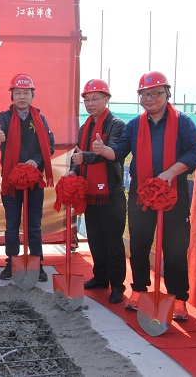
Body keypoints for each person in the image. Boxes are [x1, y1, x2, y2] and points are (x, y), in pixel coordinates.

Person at [92, 70, 196, 320]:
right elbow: (119, 152)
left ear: (167, 93)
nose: (149, 98)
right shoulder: (134, 125)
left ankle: (178, 298)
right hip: (142, 194)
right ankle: (139, 290)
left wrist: (170, 173)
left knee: (175, 248)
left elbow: (195, 152)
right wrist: (103, 150)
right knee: (139, 245)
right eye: (144, 94)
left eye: (155, 93)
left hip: (174, 193)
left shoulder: (183, 122)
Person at [66, 79, 126, 304]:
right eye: (87, 100)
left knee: (113, 241)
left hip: (111, 193)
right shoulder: (85, 127)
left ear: (106, 99)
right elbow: (78, 155)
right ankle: (100, 277)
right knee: (95, 239)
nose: (90, 104)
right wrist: (73, 171)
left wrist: (88, 156)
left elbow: (113, 153)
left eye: (95, 99)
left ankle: (118, 286)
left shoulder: (116, 125)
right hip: (90, 192)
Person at [0, 73, 55, 283]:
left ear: (32, 95)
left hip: (34, 181)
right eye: (17, 93)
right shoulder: (4, 117)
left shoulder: (40, 119)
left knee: (34, 225)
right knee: (12, 225)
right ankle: (11, 262)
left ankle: (37, 263)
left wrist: (36, 162)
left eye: (26, 93)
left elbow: (49, 146)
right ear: (12, 96)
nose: (21, 97)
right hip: (11, 182)